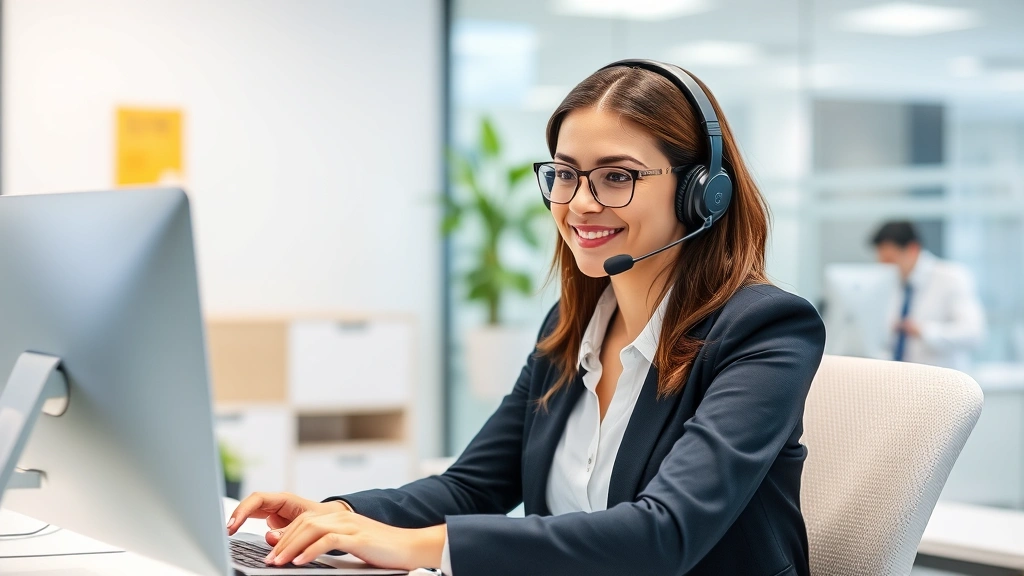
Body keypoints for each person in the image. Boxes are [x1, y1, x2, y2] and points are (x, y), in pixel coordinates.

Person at [227, 60, 825, 576]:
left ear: (702, 192)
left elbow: (663, 534)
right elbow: (472, 485)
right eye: (565, 174)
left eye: (616, 176)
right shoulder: (573, 325)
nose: (580, 203)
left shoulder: (765, 331)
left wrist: (420, 546)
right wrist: (342, 517)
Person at [871, 220, 985, 372]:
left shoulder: (951, 278)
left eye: (890, 260)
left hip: (943, 380)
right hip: (900, 378)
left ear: (912, 249)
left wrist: (923, 331)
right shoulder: (891, 284)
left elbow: (973, 333)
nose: (886, 268)